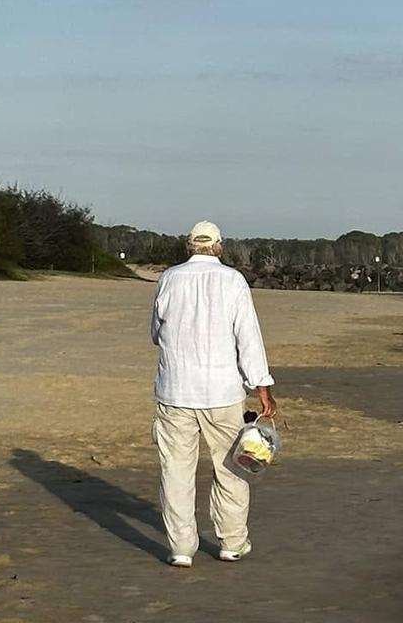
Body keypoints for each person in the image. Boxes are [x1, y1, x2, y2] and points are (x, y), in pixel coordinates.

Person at [149, 220, 278, 568]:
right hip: (223, 392)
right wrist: (262, 387)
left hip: (175, 390)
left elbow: (156, 333)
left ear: (190, 246)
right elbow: (248, 338)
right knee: (232, 468)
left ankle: (181, 547)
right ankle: (232, 542)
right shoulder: (232, 280)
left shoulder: (170, 278)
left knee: (176, 472)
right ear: (219, 247)